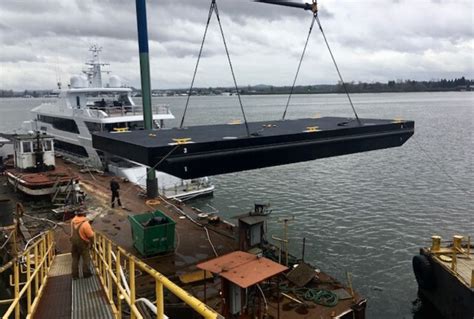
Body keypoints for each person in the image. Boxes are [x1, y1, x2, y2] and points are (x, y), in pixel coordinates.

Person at [70, 209, 94, 279]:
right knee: (86, 258)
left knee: (75, 259)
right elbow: (91, 236)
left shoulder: (73, 221)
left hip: (74, 243)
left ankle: (75, 275)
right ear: (84, 214)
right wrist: (92, 243)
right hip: (83, 244)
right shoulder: (85, 224)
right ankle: (86, 274)